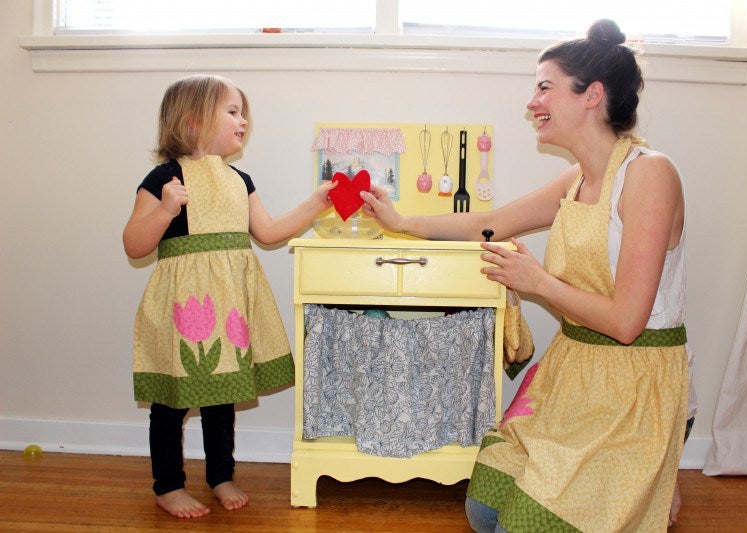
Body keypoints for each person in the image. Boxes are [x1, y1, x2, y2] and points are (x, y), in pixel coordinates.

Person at [360, 19, 691, 532]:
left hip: (635, 382)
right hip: (576, 372)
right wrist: (403, 223)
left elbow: (627, 322)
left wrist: (536, 282)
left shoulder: (650, 173)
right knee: (483, 511)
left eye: (543, 87)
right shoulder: (576, 178)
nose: (531, 102)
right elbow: (488, 224)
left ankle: (652, 482)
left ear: (591, 95)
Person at [122, 74, 335, 518]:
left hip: (230, 304)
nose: (243, 122)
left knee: (222, 396)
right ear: (194, 120)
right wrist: (165, 209)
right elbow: (134, 245)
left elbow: (269, 231)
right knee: (171, 402)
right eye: (233, 112)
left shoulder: (241, 180)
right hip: (183, 307)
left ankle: (220, 474)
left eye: (243, 113)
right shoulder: (166, 178)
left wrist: (316, 203)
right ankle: (168, 485)